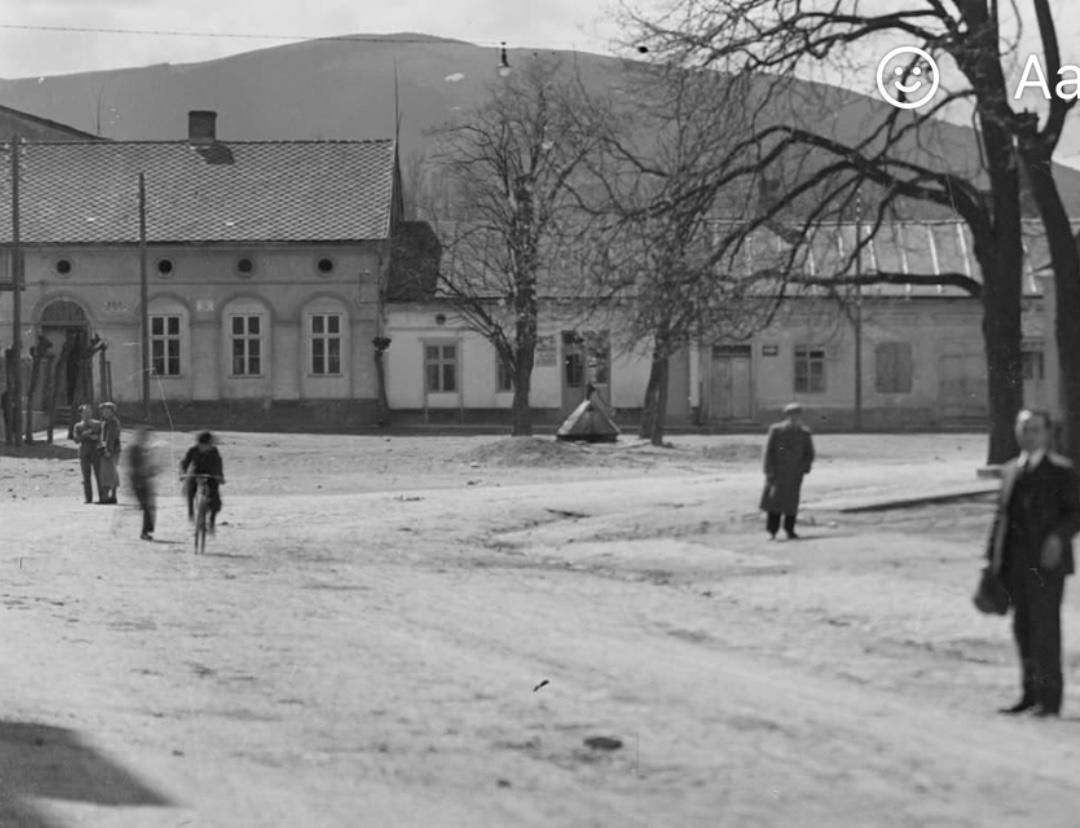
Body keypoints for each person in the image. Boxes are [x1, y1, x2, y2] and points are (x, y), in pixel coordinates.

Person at [986, 409, 1080, 718]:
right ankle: (1029, 695)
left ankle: (1049, 701)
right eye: (1024, 429)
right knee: (1022, 628)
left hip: (1046, 566)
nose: (1030, 435)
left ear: (1047, 434)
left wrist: (1059, 537)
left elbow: (1075, 513)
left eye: (1036, 429)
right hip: (1015, 565)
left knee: (1045, 631)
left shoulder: (1061, 471)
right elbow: (1001, 519)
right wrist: (990, 561)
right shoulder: (1012, 470)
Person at [759, 402, 815, 540]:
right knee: (775, 502)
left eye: (797, 415)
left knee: (791, 503)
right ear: (786, 416)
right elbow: (768, 451)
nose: (794, 418)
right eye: (791, 415)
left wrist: (804, 468)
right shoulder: (776, 430)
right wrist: (769, 470)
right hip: (778, 472)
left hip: (794, 473)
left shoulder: (804, 433)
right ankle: (772, 530)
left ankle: (790, 530)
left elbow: (810, 453)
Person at [180, 431, 225, 532]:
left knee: (215, 498)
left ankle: (211, 520)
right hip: (195, 473)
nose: (204, 447)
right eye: (202, 445)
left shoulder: (214, 451)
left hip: (211, 474)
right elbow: (185, 462)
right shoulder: (193, 450)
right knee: (190, 488)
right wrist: (183, 473)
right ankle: (191, 511)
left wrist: (220, 476)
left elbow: (218, 464)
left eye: (207, 445)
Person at [127, 424, 158, 541]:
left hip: (144, 481)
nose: (147, 438)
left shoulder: (143, 448)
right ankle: (145, 532)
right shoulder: (135, 448)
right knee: (146, 507)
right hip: (138, 482)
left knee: (149, 507)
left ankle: (147, 530)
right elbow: (134, 467)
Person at [71, 403, 104, 504]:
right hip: (84, 452)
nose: (87, 414)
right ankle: (88, 498)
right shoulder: (78, 426)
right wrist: (84, 435)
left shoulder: (98, 424)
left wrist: (97, 438)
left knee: (99, 475)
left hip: (96, 452)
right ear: (81, 414)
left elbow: (103, 437)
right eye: (85, 412)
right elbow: (76, 439)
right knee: (86, 476)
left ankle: (102, 497)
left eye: (89, 412)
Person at [97, 401, 121, 504]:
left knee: (107, 473)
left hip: (110, 450)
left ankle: (106, 497)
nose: (105, 412)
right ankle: (113, 496)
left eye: (107, 410)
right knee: (112, 472)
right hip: (110, 449)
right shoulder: (105, 422)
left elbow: (110, 437)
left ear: (112, 412)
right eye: (103, 410)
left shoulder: (112, 422)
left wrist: (108, 449)